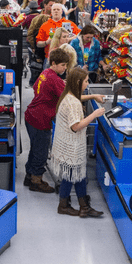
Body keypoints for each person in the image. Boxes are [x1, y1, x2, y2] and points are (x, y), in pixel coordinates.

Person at [24, 49, 104, 192]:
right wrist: (93, 96)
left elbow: (37, 88)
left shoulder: (46, 73)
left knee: (35, 149)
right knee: (41, 152)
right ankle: (36, 182)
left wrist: (59, 83)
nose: (65, 68)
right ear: (53, 63)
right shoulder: (54, 79)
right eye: (62, 65)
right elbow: (71, 98)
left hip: (31, 116)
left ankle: (29, 176)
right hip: (40, 120)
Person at [51, 68, 105, 217]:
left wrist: (93, 96)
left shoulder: (67, 95)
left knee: (79, 176)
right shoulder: (73, 103)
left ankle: (84, 207)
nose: (88, 83)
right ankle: (63, 206)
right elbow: (76, 126)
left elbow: (77, 99)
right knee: (71, 177)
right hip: (72, 146)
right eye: (86, 81)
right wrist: (94, 114)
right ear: (78, 82)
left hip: (65, 144)